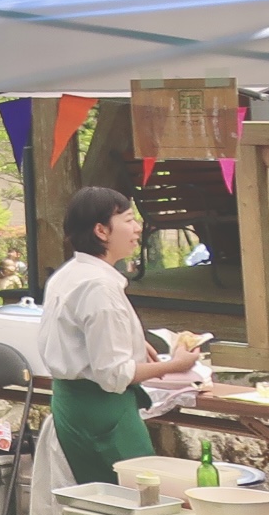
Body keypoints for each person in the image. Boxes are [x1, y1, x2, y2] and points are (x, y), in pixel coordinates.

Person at [41, 186, 199, 486]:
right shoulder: (98, 287)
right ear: (101, 230)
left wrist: (133, 341)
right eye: (128, 219)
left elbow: (81, 336)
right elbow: (113, 374)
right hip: (102, 412)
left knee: (98, 509)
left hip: (76, 406)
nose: (137, 227)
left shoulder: (70, 273)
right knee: (135, 504)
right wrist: (176, 365)